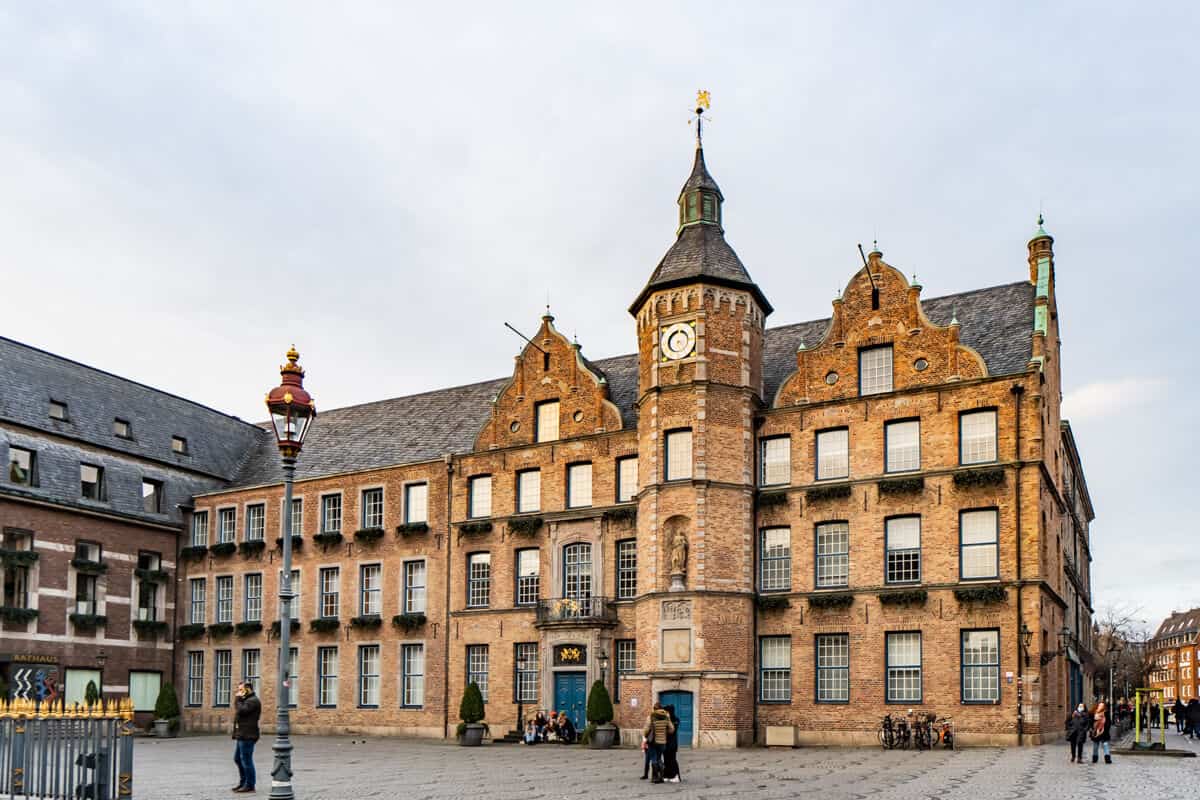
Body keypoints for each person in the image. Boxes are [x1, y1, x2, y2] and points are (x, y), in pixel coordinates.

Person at [232, 681, 261, 794]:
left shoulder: (253, 701)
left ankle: (250, 785)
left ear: (248, 690)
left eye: (241, 690)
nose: (238, 692)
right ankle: (243, 782)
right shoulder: (246, 700)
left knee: (246, 760)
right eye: (238, 690)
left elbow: (241, 710)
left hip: (248, 735)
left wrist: (238, 699)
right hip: (242, 734)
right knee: (238, 759)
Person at [642, 703, 674, 783]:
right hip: (662, 741)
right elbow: (671, 729)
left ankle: (655, 777)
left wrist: (645, 735)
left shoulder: (651, 716)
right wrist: (665, 732)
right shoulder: (666, 716)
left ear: (654, 709)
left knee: (653, 758)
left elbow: (646, 729)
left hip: (653, 741)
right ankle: (661, 777)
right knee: (659, 758)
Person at [662, 704, 682, 783]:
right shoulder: (665, 719)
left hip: (672, 743)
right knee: (666, 759)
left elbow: (672, 731)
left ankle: (676, 776)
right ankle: (667, 775)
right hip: (665, 742)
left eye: (666, 711)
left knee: (672, 760)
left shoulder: (675, 719)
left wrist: (668, 719)